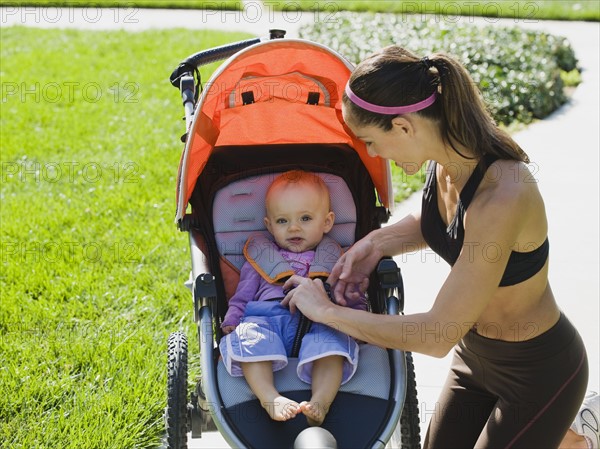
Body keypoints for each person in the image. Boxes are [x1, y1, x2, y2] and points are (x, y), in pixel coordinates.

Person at [281, 46, 590, 447]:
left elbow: (435, 334)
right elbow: (441, 225)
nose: (374, 154)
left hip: (538, 371)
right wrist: (375, 245)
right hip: (475, 359)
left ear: (404, 127)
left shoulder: (504, 195)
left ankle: (577, 438)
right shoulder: (446, 161)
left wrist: (326, 312)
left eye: (372, 141)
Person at [219, 170, 363, 426]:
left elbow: (348, 295)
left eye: (305, 218)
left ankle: (320, 401)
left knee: (333, 347)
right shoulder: (260, 258)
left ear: (328, 222)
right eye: (283, 221)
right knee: (250, 339)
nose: (294, 228)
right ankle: (270, 397)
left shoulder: (336, 259)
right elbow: (242, 296)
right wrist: (233, 320)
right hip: (267, 319)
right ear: (269, 225)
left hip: (319, 321)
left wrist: (359, 320)